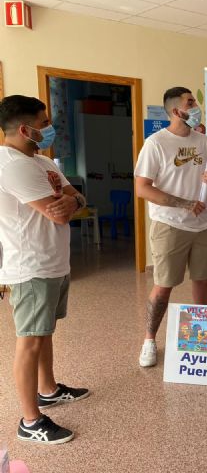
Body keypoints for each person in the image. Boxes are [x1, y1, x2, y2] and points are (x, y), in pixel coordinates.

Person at [0, 95, 90, 444]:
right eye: (44, 122)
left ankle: (48, 389)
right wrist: (70, 202)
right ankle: (29, 420)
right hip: (31, 266)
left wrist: (73, 200)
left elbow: (76, 198)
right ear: (25, 128)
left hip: (53, 262)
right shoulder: (12, 165)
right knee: (29, 340)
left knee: (45, 332)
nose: (50, 128)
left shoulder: (43, 161)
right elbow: (59, 211)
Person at [134, 86, 207, 367]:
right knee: (164, 286)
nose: (196, 107)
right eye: (190, 102)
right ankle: (149, 340)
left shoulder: (203, 141)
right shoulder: (156, 143)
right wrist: (183, 204)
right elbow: (142, 188)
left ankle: (204, 336)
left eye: (194, 102)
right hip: (169, 225)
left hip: (203, 224)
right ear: (176, 111)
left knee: (202, 280)